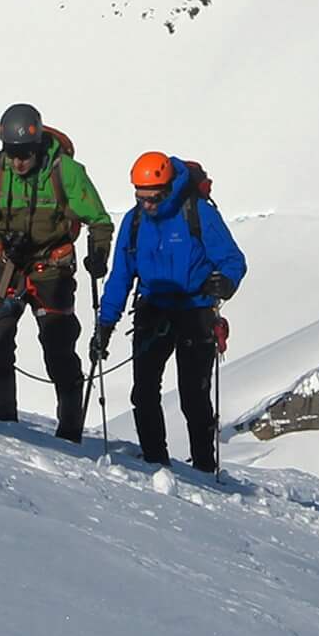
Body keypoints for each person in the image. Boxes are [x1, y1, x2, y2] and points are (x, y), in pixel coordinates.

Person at [0, 104, 112, 441]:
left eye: (25, 153)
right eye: (12, 153)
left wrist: (98, 255)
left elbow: (99, 220)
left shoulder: (65, 172)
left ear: (38, 147)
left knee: (58, 344)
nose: (19, 161)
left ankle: (70, 432)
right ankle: (4, 422)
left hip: (51, 267)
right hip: (4, 262)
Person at [93, 152, 246, 474]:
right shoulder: (134, 221)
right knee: (144, 390)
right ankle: (154, 461)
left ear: (169, 187)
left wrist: (226, 283)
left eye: (153, 198)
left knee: (194, 395)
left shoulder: (198, 213)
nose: (147, 204)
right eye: (140, 197)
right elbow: (121, 275)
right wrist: (105, 323)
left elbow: (233, 260)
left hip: (196, 310)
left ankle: (204, 466)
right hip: (152, 310)